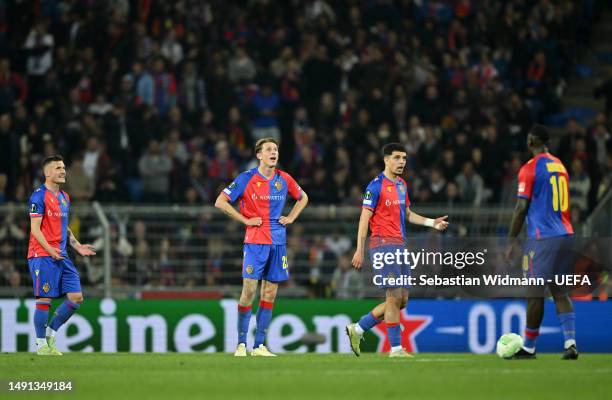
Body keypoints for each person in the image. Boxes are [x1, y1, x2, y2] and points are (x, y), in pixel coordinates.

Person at [346, 143, 449, 358]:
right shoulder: (375, 186)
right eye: (397, 157)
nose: (402, 161)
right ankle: (395, 349)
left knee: (402, 301)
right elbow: (364, 219)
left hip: (400, 245)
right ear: (386, 160)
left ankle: (357, 329)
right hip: (383, 244)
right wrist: (359, 249)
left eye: (404, 158)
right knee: (393, 296)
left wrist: (432, 223)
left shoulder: (402, 185)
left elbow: (408, 214)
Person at [215, 138, 308, 357]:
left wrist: (292, 217)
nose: (273, 152)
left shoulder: (284, 178)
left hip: (278, 242)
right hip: (255, 241)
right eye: (268, 150)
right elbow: (220, 201)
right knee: (249, 291)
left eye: (275, 149)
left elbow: (303, 198)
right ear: (259, 155)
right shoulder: (246, 179)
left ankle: (258, 346)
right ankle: (240, 344)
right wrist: (245, 220)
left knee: (269, 293)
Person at [506, 124, 578, 360]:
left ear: (530, 142)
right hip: (565, 234)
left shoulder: (530, 168)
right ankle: (570, 343)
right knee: (559, 291)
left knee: (534, 293)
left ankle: (528, 347)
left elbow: (520, 207)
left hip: (542, 238)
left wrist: (510, 239)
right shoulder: (560, 166)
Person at [27, 155, 97, 355]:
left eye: (64, 167)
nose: (63, 171)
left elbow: (64, 228)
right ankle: (41, 345)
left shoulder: (65, 197)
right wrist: (50, 251)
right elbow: (35, 229)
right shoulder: (38, 196)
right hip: (42, 254)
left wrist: (77, 246)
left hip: (61, 254)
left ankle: (50, 334)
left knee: (76, 297)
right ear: (47, 172)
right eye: (58, 168)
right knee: (44, 299)